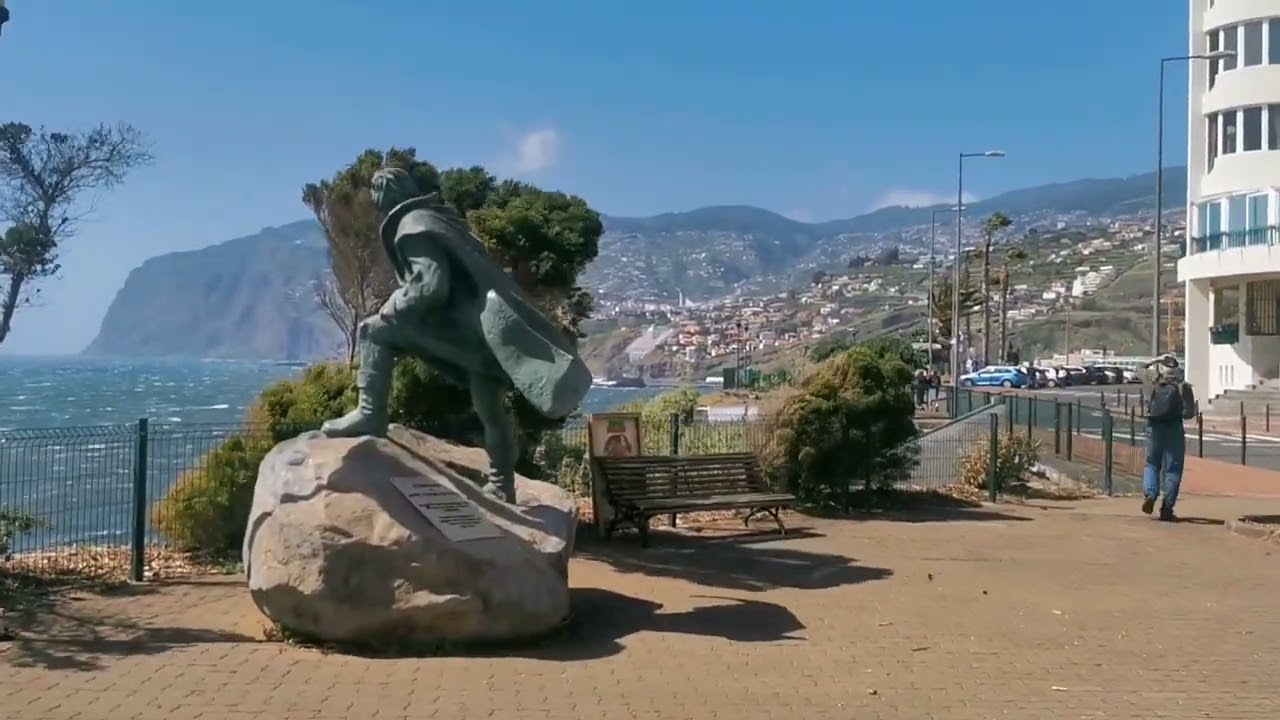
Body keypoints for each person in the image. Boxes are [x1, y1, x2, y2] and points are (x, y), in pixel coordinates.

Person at [320, 167, 591, 503]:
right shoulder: (441, 219)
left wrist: (387, 309)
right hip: (487, 335)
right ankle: (502, 486)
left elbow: (429, 287)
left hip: (466, 333)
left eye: (375, 191)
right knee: (490, 409)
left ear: (385, 194)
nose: (372, 200)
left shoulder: (412, 226)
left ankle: (370, 413)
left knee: (374, 332)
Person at [1139, 354, 1198, 521]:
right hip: (1174, 428)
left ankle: (1150, 494)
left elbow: (1139, 366)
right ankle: (1167, 508)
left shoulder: (1153, 381)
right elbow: (1188, 414)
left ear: (1162, 367)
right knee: (1173, 469)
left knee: (1152, 463)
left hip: (1154, 426)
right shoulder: (1183, 387)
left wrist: (1155, 360)